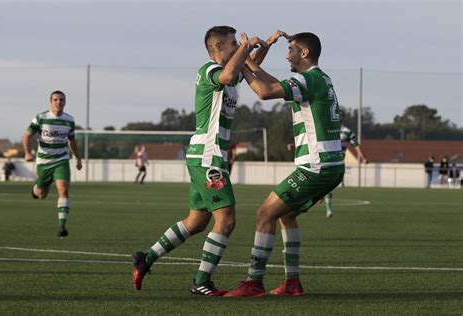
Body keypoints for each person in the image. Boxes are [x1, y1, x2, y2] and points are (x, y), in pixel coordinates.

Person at [132, 26, 267, 296]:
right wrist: (246, 46)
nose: (234, 47)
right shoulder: (210, 71)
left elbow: (244, 69)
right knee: (226, 221)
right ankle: (201, 281)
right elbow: (230, 73)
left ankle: (145, 260)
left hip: (205, 156)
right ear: (217, 48)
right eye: (231, 44)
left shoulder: (227, 75)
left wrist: (264, 46)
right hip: (208, 156)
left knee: (196, 222)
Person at [224, 31, 345, 297]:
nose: (286, 54)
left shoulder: (308, 79)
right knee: (286, 215)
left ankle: (254, 282)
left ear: (304, 53)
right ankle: (292, 283)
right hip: (331, 166)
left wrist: (241, 59)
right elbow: (274, 81)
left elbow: (265, 92)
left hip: (316, 166)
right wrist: (248, 60)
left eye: (290, 49)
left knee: (265, 214)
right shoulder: (319, 78)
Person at [22, 90, 82, 238]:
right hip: (43, 162)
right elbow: (27, 135)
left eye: (61, 100)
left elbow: (72, 141)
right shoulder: (41, 118)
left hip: (61, 160)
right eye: (55, 100)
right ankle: (37, 187)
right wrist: (27, 152)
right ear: (51, 102)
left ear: (65, 102)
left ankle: (62, 227)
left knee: (63, 190)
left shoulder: (69, 120)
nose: (58, 102)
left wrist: (78, 158)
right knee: (41, 194)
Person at [323, 109, 368, 218]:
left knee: (328, 185)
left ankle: (324, 197)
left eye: (340, 115)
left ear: (342, 118)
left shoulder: (347, 131)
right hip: (325, 160)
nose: (338, 117)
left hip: (338, 162)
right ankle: (328, 208)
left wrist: (363, 158)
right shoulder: (325, 129)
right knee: (326, 185)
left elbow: (356, 144)